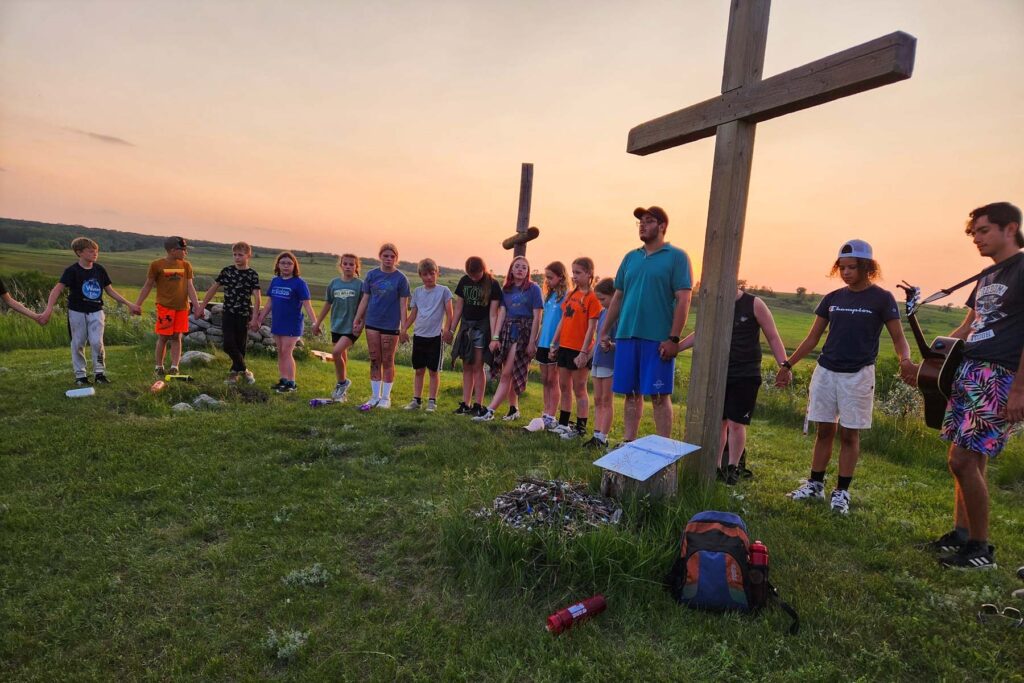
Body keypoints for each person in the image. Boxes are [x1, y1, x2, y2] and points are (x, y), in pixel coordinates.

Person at [918, 202, 1023, 570]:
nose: (976, 239)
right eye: (973, 233)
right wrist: (931, 358)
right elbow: (968, 327)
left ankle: (981, 549)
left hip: (998, 375)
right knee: (966, 458)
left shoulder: (1023, 269)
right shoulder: (988, 275)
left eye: (983, 231)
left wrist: (1019, 390)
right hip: (969, 370)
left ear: (1010, 228)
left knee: (963, 460)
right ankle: (962, 535)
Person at [775, 239, 913, 515]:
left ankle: (842, 492)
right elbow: (813, 338)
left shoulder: (882, 299)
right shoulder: (833, 299)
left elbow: (898, 337)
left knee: (850, 435)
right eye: (842, 267)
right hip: (826, 371)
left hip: (858, 375)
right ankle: (815, 485)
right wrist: (787, 364)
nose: (846, 272)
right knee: (824, 430)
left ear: (867, 268)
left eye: (852, 267)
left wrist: (905, 361)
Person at [600, 206, 693, 442]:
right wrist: (604, 332)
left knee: (659, 395)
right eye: (640, 222)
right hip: (627, 334)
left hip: (657, 337)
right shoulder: (631, 257)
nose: (642, 225)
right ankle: (628, 442)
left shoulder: (677, 257)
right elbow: (618, 297)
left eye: (649, 221)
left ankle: (663, 447)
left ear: (662, 226)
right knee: (631, 394)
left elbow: (684, 298)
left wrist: (673, 338)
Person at [679, 289, 788, 484]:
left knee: (737, 423)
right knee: (719, 423)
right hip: (719, 373)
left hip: (746, 373)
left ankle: (734, 467)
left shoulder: (754, 303)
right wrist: (676, 348)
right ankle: (717, 467)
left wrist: (784, 366)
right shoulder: (715, 303)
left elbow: (772, 336)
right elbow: (701, 331)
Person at [40, 237, 140, 385]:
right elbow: (57, 290)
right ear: (79, 252)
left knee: (96, 342)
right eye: (91, 251)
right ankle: (80, 375)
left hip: (96, 311)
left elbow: (110, 291)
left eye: (96, 251)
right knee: (78, 342)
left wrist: (128, 304)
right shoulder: (72, 271)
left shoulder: (99, 270)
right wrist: (48, 309)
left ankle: (100, 374)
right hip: (77, 312)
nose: (95, 254)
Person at [473, 255, 543, 422]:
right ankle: (513, 409)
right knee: (509, 371)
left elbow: (538, 316)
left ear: (527, 272)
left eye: (524, 267)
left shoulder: (534, 289)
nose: (520, 269)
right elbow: (502, 313)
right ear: (511, 269)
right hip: (506, 332)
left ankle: (489, 411)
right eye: (517, 266)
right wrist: (495, 337)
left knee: (506, 374)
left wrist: (532, 341)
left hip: (523, 332)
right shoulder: (507, 289)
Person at [352, 243, 411, 410]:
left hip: (390, 325)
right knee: (374, 359)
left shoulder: (401, 279)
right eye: (386, 256)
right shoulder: (371, 275)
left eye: (392, 256)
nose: (389, 259)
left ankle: (386, 397)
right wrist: (357, 319)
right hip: (372, 323)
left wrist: (404, 327)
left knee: (388, 360)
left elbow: (403, 305)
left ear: (396, 259)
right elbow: (365, 299)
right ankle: (374, 396)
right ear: (380, 257)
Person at [549, 257, 602, 439]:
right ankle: (563, 423)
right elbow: (563, 320)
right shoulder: (571, 295)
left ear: (589, 274)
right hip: (564, 346)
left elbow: (592, 328)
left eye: (578, 273)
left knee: (579, 388)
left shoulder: (593, 299)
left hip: (580, 349)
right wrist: (553, 343)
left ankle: (580, 427)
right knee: (564, 386)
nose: (574, 276)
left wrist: (584, 352)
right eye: (573, 273)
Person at [133, 236, 202, 376]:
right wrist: (137, 304)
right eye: (183, 250)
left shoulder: (186, 265)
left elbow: (190, 286)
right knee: (163, 337)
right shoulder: (157, 265)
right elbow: (148, 285)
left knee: (177, 337)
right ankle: (159, 366)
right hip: (165, 307)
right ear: (172, 250)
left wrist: (197, 306)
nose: (185, 253)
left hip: (182, 307)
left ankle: (174, 367)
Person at [196, 242, 261, 385]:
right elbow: (213, 289)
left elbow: (257, 297)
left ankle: (234, 373)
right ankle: (244, 370)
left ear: (248, 255)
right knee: (228, 344)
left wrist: (255, 318)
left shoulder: (252, 274)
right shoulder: (227, 271)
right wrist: (201, 307)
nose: (237, 258)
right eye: (234, 254)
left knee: (240, 344)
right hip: (228, 312)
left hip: (243, 313)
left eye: (240, 255)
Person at [445, 256, 502, 417]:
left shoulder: (493, 284)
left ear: (483, 269)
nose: (473, 278)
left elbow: (493, 314)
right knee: (466, 366)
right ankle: (466, 404)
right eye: (471, 275)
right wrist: (451, 329)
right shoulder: (464, 281)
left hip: (481, 329)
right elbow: (458, 308)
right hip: (466, 327)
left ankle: (478, 404)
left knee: (477, 367)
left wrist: (494, 337)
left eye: (476, 275)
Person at [253, 251, 316, 393]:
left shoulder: (299, 283)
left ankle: (292, 383)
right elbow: (269, 303)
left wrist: (315, 323)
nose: (286, 266)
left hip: (292, 323)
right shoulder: (275, 281)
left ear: (294, 266)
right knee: (281, 352)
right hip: (278, 322)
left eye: (289, 263)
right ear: (278, 265)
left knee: (287, 352)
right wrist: (259, 319)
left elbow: (307, 305)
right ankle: (283, 379)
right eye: (283, 263)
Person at [403, 258, 453, 412]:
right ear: (420, 276)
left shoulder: (444, 291)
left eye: (432, 273)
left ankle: (432, 401)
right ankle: (416, 400)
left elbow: (450, 314)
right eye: (425, 274)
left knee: (433, 371)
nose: (429, 277)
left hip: (435, 337)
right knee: (419, 370)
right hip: (419, 336)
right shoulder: (417, 292)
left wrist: (447, 330)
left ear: (437, 273)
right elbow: (413, 314)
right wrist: (403, 329)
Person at [312, 253, 363, 402]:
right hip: (337, 325)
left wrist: (361, 324)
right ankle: (342, 393)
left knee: (335, 353)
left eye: (351, 264)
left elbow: (364, 306)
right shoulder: (334, 283)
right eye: (345, 264)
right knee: (342, 356)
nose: (348, 266)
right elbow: (327, 304)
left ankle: (342, 383)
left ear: (356, 267)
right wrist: (317, 322)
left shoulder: (360, 285)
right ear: (340, 265)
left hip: (352, 327)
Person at [535, 262, 568, 430]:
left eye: (550, 277)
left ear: (561, 277)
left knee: (553, 380)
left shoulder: (566, 296)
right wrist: (538, 338)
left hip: (555, 343)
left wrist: (556, 343)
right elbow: (545, 320)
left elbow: (564, 322)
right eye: (546, 277)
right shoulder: (549, 295)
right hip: (543, 342)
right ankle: (546, 412)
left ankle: (551, 414)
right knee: (545, 380)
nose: (547, 280)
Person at [588, 278, 617, 448]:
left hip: (610, 361)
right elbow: (598, 337)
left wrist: (612, 345)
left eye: (603, 299)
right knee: (598, 399)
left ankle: (603, 437)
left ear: (615, 295)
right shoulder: (602, 312)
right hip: (598, 360)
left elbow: (621, 339)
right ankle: (596, 434)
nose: (600, 303)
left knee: (607, 400)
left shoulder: (619, 314)